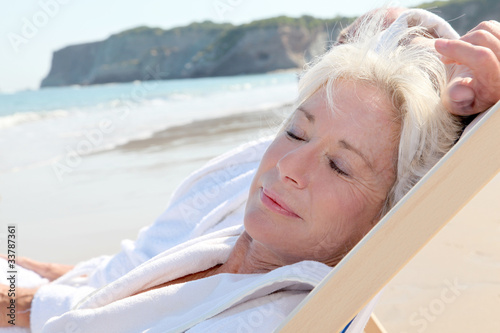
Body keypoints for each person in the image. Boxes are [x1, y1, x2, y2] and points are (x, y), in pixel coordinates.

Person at [1, 9, 499, 332]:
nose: (288, 166)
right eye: (296, 132)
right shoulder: (263, 206)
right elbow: (395, 23)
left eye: (340, 167)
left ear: (387, 213)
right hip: (63, 288)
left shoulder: (266, 317)